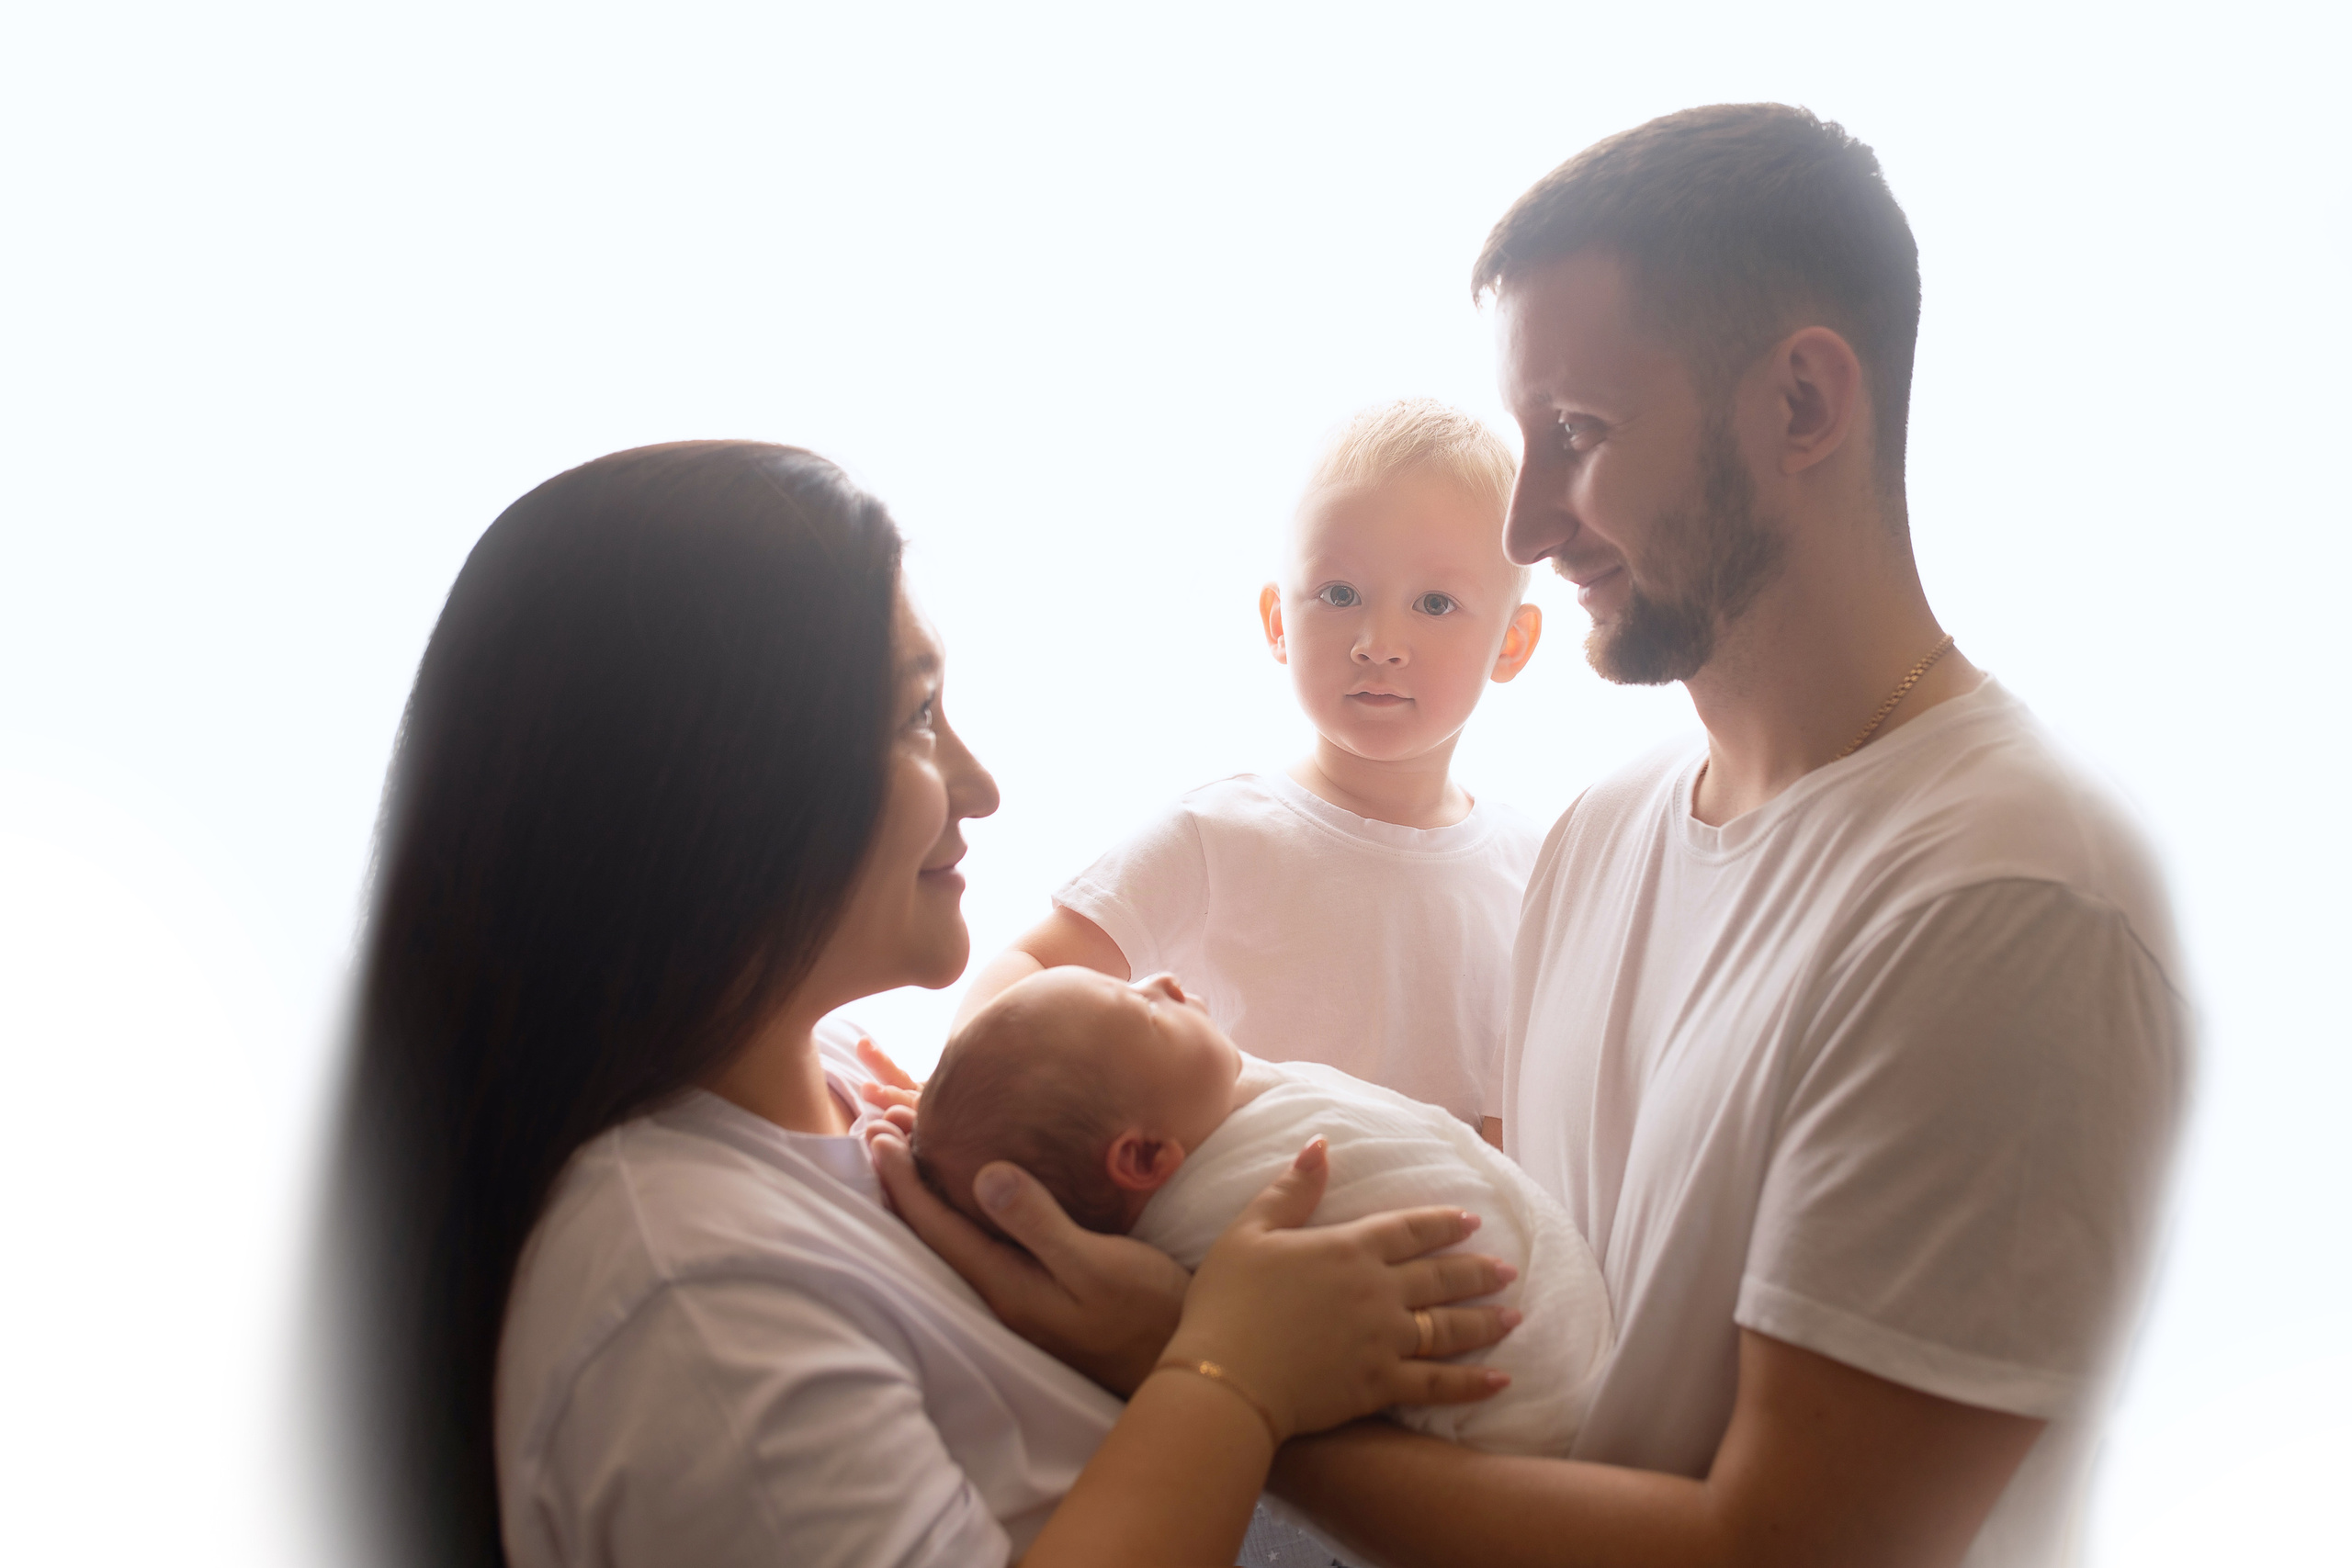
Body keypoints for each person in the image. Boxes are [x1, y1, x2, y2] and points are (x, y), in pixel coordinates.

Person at [887, 106, 2191, 1568]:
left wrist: (1215, 1373)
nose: (1519, 527)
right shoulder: (1604, 835)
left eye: (1577, 435)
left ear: (1806, 404)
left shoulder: (2003, 904)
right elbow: (1556, 1332)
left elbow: (1785, 1548)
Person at [312, 439, 1520, 1568]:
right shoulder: (689, 1295)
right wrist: (1229, 1369)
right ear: (719, 787)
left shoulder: (844, 1082)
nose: (982, 785)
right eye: (916, 717)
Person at [955, 398, 1545, 1141]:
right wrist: (958, 1101)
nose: (1379, 640)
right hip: (1232, 1227)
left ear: (1513, 643)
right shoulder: (1217, 834)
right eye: (1339, 594)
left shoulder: (1537, 870)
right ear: (1277, 622)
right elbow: (1031, 967)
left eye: (1435, 602)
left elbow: (1510, 1129)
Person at [910, 965, 1612, 1456]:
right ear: (1147, 1158)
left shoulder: (1213, 1116)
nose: (1161, 981)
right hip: (1521, 1409)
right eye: (1146, 1011)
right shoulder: (1231, 1202)